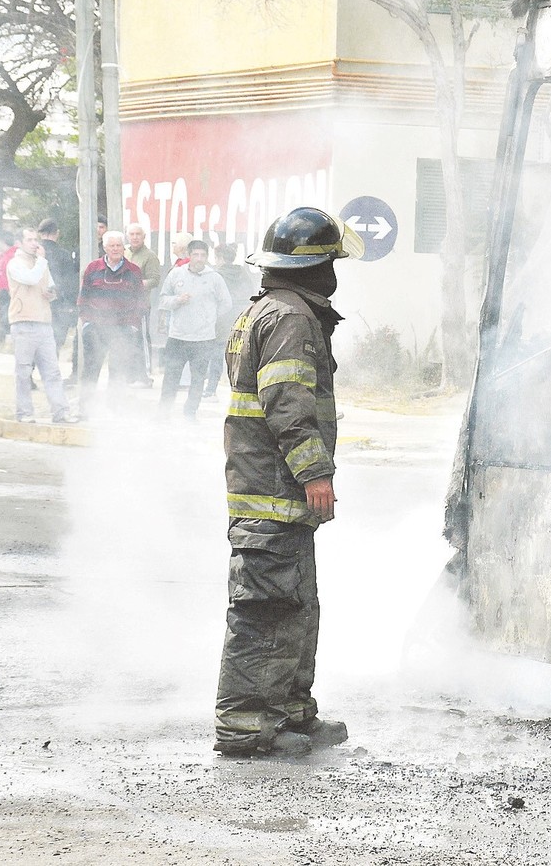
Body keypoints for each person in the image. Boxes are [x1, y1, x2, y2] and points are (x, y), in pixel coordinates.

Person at [214, 206, 364, 758]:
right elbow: (287, 404)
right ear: (311, 267)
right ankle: (247, 727)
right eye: (329, 263)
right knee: (265, 610)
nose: (334, 274)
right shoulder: (290, 318)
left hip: (276, 495)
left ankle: (292, 713)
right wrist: (315, 472)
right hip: (273, 492)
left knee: (296, 605)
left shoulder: (271, 310)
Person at [7, 229, 76, 424]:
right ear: (19, 243)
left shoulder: (40, 264)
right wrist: (42, 261)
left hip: (44, 323)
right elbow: (30, 279)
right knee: (23, 372)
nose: (34, 243)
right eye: (29, 240)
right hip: (23, 322)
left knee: (52, 371)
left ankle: (61, 412)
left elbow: (50, 285)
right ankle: (24, 413)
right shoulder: (16, 263)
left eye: (35, 239)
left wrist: (51, 293)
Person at [158, 239, 232, 418]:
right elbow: (162, 300)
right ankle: (163, 413)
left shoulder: (214, 278)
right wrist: (177, 301)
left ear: (207, 257)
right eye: (196, 255)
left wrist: (210, 318)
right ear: (189, 256)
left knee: (198, 379)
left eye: (203, 255)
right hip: (178, 337)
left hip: (203, 338)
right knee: (171, 377)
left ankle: (190, 413)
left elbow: (226, 303)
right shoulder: (176, 274)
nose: (199, 258)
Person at [77, 231, 148, 406]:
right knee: (91, 370)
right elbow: (83, 297)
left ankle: (115, 408)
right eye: (112, 246)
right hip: (96, 328)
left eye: (118, 245)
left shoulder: (133, 271)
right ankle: (85, 407)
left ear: (124, 248)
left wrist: (133, 326)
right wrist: (86, 323)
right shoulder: (93, 268)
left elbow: (140, 301)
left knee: (118, 371)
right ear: (105, 247)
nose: (115, 249)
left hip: (122, 329)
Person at [202, 242, 258, 399]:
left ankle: (211, 390)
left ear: (218, 257)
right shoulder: (243, 273)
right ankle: (241, 389)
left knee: (216, 356)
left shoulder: (216, 276)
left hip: (220, 322)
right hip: (241, 319)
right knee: (240, 356)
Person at [125, 224, 163, 386]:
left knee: (140, 339)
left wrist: (135, 284)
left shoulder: (150, 256)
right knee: (125, 339)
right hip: (122, 305)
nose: (134, 237)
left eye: (138, 234)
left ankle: (145, 375)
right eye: (132, 234)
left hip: (140, 305)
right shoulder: (123, 252)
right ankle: (129, 374)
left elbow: (155, 280)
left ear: (144, 236)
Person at [38, 219, 80, 354]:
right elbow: (69, 283)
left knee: (35, 342)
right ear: (57, 233)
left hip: (35, 304)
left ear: (40, 234)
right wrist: (71, 305)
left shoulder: (33, 253)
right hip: (58, 305)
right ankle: (50, 372)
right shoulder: (64, 255)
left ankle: (29, 372)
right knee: (55, 342)